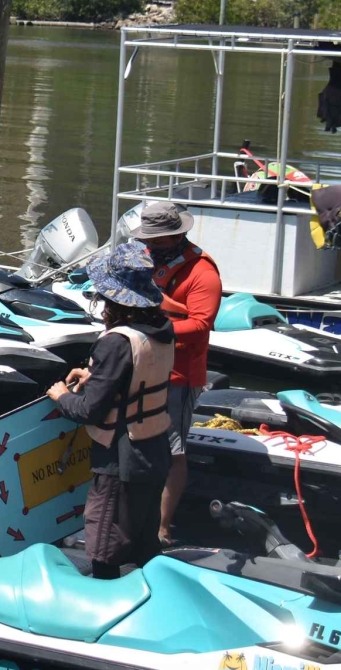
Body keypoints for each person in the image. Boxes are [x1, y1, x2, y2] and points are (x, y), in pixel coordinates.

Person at [48, 243, 175, 580]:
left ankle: (105, 606)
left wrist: (61, 396)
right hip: (155, 449)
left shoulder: (116, 341)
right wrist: (95, 375)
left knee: (105, 546)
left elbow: (89, 409)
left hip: (120, 459)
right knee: (144, 544)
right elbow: (138, 376)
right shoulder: (162, 328)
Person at [132, 201, 221, 547]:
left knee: (173, 449)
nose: (151, 246)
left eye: (159, 240)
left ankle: (163, 527)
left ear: (179, 234)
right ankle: (137, 511)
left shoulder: (203, 273)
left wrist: (153, 327)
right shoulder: (147, 257)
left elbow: (200, 325)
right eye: (149, 240)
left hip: (179, 375)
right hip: (145, 365)